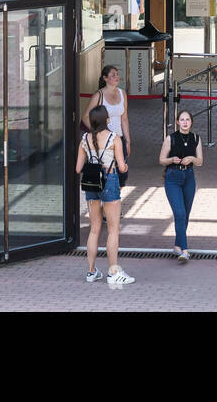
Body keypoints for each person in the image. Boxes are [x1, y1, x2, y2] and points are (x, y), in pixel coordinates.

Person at [76, 104, 133, 284]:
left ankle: (91, 272)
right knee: (113, 229)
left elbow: (78, 169)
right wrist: (124, 166)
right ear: (107, 120)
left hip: (91, 184)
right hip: (109, 182)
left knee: (94, 229)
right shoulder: (114, 138)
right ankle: (113, 273)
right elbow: (122, 167)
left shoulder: (84, 139)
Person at [159, 109, 203, 263]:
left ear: (191, 122)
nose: (185, 122)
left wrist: (191, 158)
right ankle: (184, 251)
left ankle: (177, 245)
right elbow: (161, 159)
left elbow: (200, 161)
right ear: (177, 122)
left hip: (189, 177)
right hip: (172, 178)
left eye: (187, 120)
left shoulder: (196, 138)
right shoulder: (170, 138)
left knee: (186, 213)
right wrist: (172, 160)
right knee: (179, 213)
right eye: (182, 120)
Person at [86, 65, 130, 188]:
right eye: (113, 75)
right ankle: (106, 201)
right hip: (103, 140)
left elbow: (124, 118)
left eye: (117, 74)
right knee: (104, 171)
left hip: (119, 138)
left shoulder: (122, 93)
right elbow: (86, 117)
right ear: (105, 78)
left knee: (122, 173)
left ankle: (114, 199)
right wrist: (96, 132)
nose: (116, 77)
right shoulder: (99, 95)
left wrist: (128, 140)